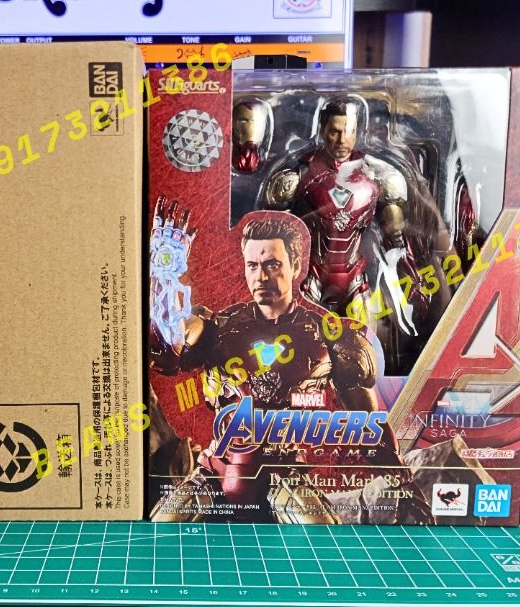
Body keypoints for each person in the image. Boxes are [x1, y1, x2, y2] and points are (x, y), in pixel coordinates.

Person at [148, 200, 429, 523]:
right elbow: (167, 351)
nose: (261, 276)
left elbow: (368, 425)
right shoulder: (216, 328)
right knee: (160, 532)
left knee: (322, 537)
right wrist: (163, 278)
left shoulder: (330, 336)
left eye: (272, 265)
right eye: (252, 265)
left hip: (282, 479)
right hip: (217, 473)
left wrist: (402, 482)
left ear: (296, 266)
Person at [262, 97, 429, 336]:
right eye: (335, 132)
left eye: (349, 131)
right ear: (323, 131)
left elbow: (396, 238)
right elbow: (275, 235)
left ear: (357, 131)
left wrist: (407, 267)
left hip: (355, 276)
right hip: (311, 276)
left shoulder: (376, 174)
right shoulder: (298, 176)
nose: (342, 140)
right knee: (300, 342)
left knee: (365, 341)